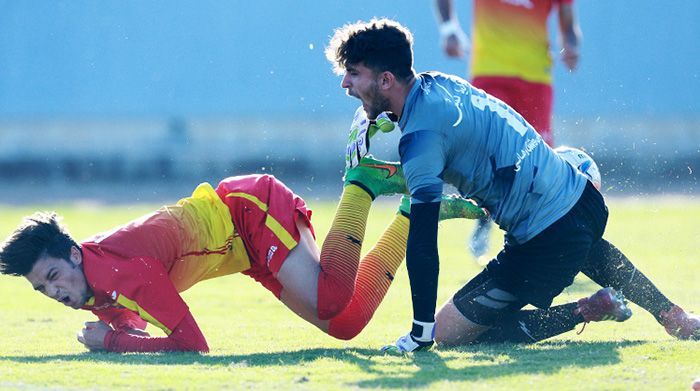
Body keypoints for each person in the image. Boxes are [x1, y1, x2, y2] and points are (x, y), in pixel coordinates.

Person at [325, 18, 699, 352]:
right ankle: (672, 314)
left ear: (386, 79)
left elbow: (422, 243)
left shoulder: (420, 138)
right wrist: (382, 126)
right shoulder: (441, 84)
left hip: (544, 241)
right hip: (583, 199)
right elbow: (443, 155)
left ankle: (585, 308)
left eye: (354, 74)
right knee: (582, 243)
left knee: (449, 334)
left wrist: (421, 331)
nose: (345, 83)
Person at [0, 162, 486, 353]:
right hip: (243, 250)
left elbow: (192, 344)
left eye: (54, 277)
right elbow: (135, 323)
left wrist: (112, 343)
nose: (55, 293)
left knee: (333, 298)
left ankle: (362, 184)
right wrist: (117, 331)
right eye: (44, 289)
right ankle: (415, 213)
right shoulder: (90, 284)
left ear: (72, 253)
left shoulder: (119, 273)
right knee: (345, 324)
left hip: (248, 211)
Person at [434, 0, 583, 258]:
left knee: (539, 162)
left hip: (535, 76)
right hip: (490, 71)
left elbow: (569, 24)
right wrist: (448, 27)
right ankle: (484, 222)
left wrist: (571, 45)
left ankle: (548, 238)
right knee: (488, 156)